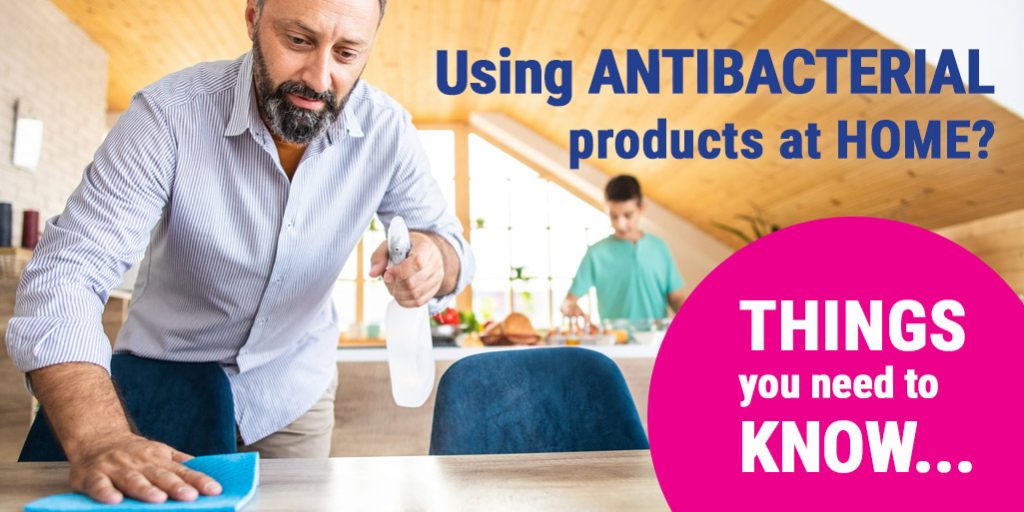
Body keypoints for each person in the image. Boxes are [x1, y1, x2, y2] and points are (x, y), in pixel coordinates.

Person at [5, 0, 473, 505]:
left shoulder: (388, 131)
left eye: (346, 52)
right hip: (164, 383)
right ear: (253, 17)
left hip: (292, 392)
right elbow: (67, 272)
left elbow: (451, 249)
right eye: (298, 40)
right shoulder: (168, 116)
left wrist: (433, 260)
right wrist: (100, 437)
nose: (319, 77)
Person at [560, 175, 685, 324]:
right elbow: (567, 303)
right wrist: (571, 308)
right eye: (614, 216)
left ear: (642, 208)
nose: (620, 224)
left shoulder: (659, 248)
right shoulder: (596, 253)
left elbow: (676, 297)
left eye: (627, 215)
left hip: (657, 343)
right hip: (615, 344)